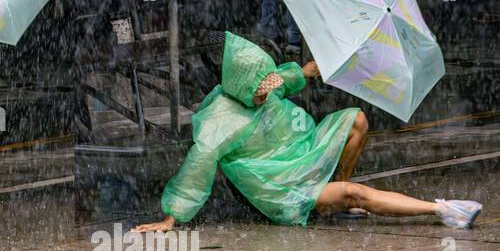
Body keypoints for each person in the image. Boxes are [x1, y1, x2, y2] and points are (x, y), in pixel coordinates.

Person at [134, 32, 482, 233]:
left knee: (357, 119)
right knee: (353, 193)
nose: (265, 94)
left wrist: (330, 61)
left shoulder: (265, 87)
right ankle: (441, 210)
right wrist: (170, 218)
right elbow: (196, 169)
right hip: (283, 186)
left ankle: (333, 204)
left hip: (305, 150)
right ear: (240, 88)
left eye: (267, 86)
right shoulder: (218, 121)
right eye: (260, 90)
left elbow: (296, 75)